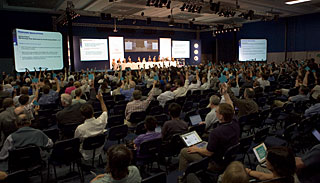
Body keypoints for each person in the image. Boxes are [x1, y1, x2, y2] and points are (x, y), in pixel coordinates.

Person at [178, 99, 240, 172]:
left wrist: (197, 149)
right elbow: (231, 108)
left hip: (216, 164)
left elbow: (209, 153)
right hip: (228, 158)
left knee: (184, 151)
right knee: (202, 144)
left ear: (221, 117)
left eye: (216, 111)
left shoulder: (216, 132)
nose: (215, 112)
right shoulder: (235, 123)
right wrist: (225, 94)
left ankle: (183, 177)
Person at [74, 92, 108, 161]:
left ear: (83, 116)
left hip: (85, 154)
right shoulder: (101, 121)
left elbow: (76, 141)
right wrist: (101, 100)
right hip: (99, 149)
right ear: (93, 112)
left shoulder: (80, 128)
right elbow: (105, 111)